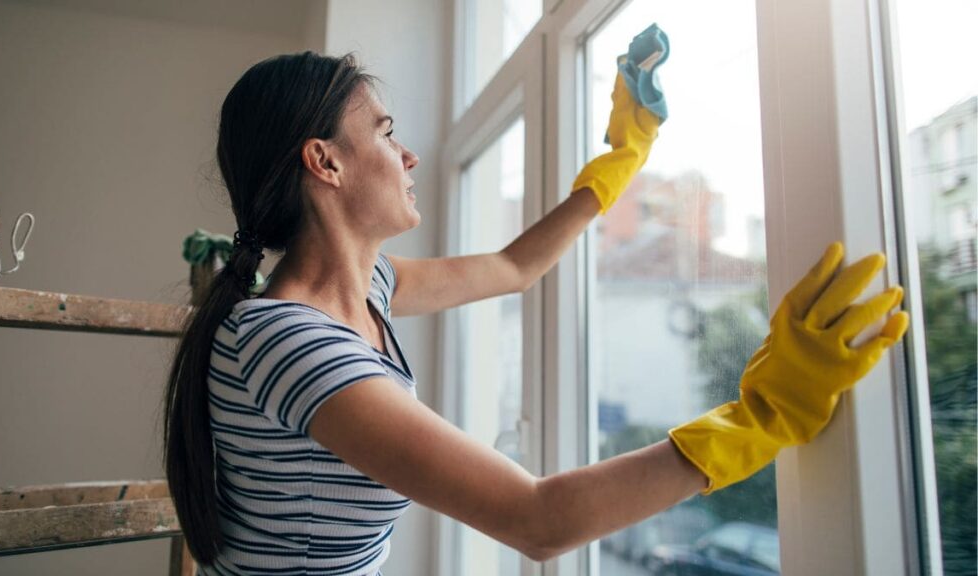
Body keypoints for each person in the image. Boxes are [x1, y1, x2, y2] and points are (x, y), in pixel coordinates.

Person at [163, 51, 909, 576]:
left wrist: (619, 160)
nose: (409, 155)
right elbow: (540, 521)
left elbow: (514, 267)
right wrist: (762, 416)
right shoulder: (291, 344)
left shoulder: (367, 291)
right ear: (325, 163)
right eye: (387, 132)